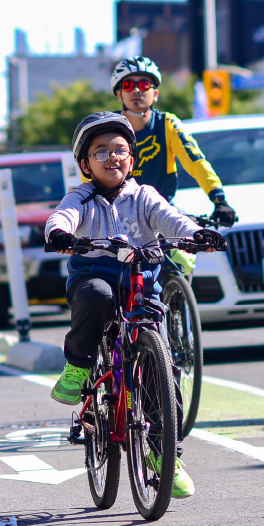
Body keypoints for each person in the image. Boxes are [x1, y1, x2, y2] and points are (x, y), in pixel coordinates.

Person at [44, 112, 224, 499]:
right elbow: (63, 216)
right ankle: (77, 368)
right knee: (98, 296)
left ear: (132, 157)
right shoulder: (82, 197)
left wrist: (196, 234)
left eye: (120, 150)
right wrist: (59, 232)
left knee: (167, 372)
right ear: (85, 164)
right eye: (101, 152)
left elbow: (171, 219)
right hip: (95, 278)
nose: (112, 157)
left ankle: (166, 456)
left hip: (141, 283)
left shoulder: (143, 195)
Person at [110, 56, 237, 225]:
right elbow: (90, 178)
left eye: (144, 85)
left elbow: (196, 162)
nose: (136, 90)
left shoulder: (168, 124)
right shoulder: (106, 128)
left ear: (155, 94)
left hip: (161, 217)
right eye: (128, 85)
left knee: (187, 251)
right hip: (115, 220)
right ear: (119, 94)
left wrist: (219, 200)